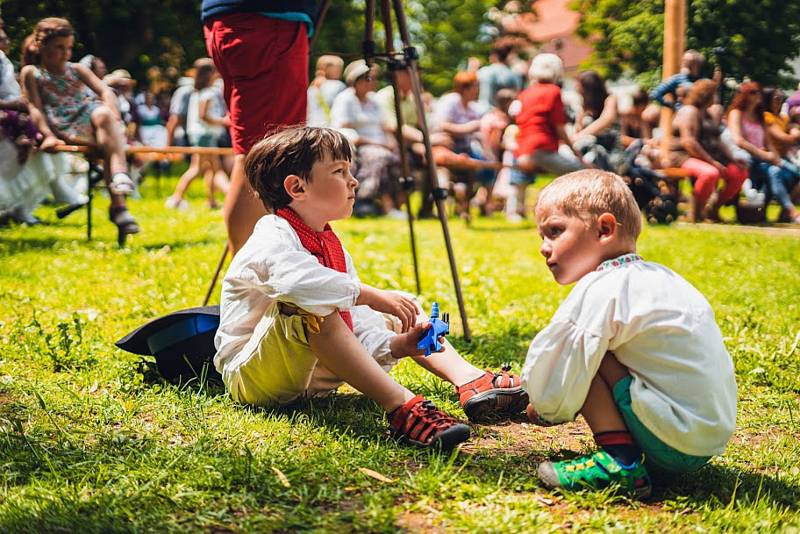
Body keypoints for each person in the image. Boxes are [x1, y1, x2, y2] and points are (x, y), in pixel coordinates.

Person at [215, 126, 529, 448]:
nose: (354, 181)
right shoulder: (271, 235)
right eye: (339, 171)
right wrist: (370, 295)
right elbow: (298, 283)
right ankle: (402, 407)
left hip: (315, 378)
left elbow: (354, 318)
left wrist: (396, 345)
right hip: (255, 378)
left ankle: (469, 379)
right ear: (297, 187)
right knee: (314, 307)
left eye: (350, 170)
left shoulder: (329, 244)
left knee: (401, 307)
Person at [521, 170, 737, 497]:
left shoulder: (604, 288)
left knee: (588, 354)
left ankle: (621, 463)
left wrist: (544, 402)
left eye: (554, 231)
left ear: (604, 229)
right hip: (705, 439)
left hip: (673, 440)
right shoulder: (664, 279)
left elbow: (562, 362)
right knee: (601, 349)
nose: (543, 248)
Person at [203, 0, 316, 254]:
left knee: (258, 153)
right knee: (264, 157)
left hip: (238, 19)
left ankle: (252, 277)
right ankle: (251, 281)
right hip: (266, 20)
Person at [19, 17, 139, 236]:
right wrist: (46, 136)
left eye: (69, 48)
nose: (66, 53)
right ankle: (119, 205)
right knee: (111, 143)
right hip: (65, 124)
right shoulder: (32, 73)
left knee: (103, 116)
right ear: (41, 45)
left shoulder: (76, 69)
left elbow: (105, 92)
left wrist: (113, 116)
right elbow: (35, 108)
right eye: (59, 48)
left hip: (92, 118)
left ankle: (120, 182)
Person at [507, 54, 584, 220]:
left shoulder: (525, 93)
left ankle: (520, 210)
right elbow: (559, 128)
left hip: (523, 148)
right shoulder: (554, 91)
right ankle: (573, 212)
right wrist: (575, 151)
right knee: (580, 172)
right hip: (541, 147)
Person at [667, 79, 747, 222]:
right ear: (706, 95)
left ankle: (713, 208)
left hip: (705, 158)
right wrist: (713, 162)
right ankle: (696, 212)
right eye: (714, 93)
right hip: (682, 156)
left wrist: (733, 159)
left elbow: (718, 140)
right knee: (710, 173)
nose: (716, 98)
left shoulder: (708, 114)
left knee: (739, 172)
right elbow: (688, 142)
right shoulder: (689, 111)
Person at [331, 60, 402, 218]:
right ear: (357, 80)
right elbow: (343, 127)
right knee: (378, 156)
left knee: (399, 157)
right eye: (370, 79)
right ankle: (363, 199)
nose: (374, 82)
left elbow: (384, 126)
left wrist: (392, 142)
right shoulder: (346, 99)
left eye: (375, 78)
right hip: (357, 144)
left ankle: (392, 205)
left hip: (379, 143)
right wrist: (376, 143)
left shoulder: (374, 100)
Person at [728, 82, 800, 223]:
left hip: (764, 159)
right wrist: (763, 154)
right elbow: (738, 140)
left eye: (758, 92)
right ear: (744, 94)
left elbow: (768, 142)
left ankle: (775, 212)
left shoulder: (759, 116)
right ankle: (790, 212)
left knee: (784, 172)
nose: (757, 95)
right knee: (773, 172)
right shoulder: (736, 113)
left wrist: (775, 157)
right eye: (753, 92)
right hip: (746, 158)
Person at [166, 59, 229, 210]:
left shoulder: (199, 91)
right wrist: (223, 121)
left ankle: (211, 200)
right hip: (204, 135)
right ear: (210, 74)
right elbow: (203, 116)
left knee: (211, 169)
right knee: (200, 169)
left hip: (203, 134)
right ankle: (176, 198)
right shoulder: (207, 93)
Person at [573, 70, 621, 171]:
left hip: (611, 151)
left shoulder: (610, 99)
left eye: (579, 88)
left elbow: (606, 120)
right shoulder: (584, 105)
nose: (576, 90)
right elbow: (578, 128)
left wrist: (580, 135)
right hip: (590, 149)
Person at [477, 45, 523, 110]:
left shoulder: (483, 71)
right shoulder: (514, 75)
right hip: (503, 114)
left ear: (494, 56)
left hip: (482, 110)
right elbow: (518, 94)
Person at [306, 55, 345, 128]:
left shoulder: (312, 85)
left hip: (310, 125)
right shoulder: (337, 85)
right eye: (339, 68)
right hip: (329, 126)